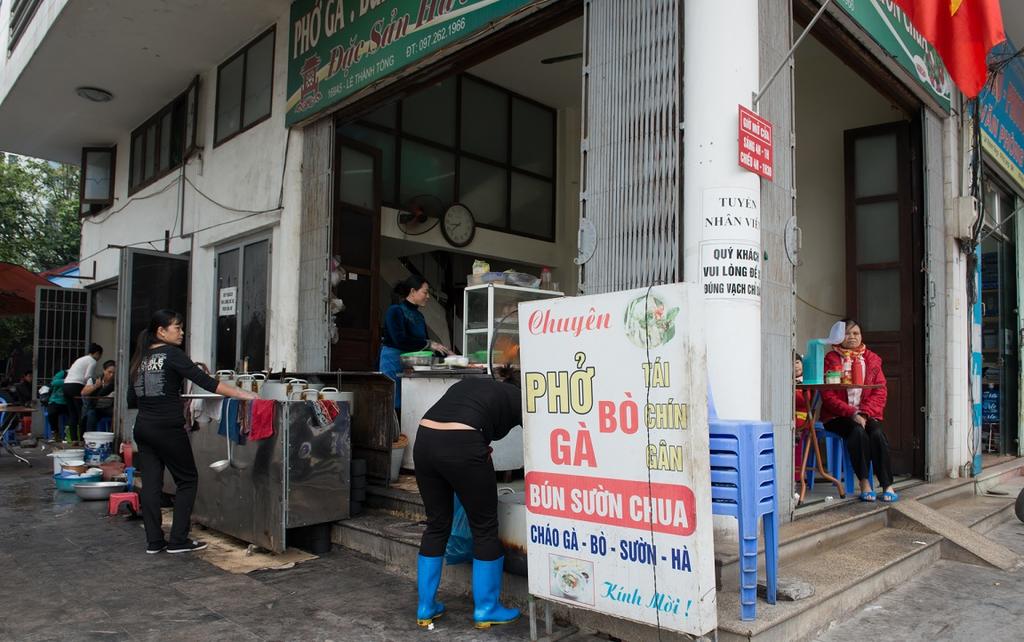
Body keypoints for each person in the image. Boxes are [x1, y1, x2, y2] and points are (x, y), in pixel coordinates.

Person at [128, 309, 257, 554]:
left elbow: (131, 397)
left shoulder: (140, 359)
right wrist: (244, 394)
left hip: (143, 428)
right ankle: (178, 540)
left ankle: (154, 542)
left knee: (151, 485)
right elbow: (206, 381)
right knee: (187, 480)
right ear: (161, 331)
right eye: (177, 327)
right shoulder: (172, 354)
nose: (182, 332)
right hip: (167, 428)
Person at [413, 367, 521, 629]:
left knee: (437, 524)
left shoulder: (473, 385)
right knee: (484, 526)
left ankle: (426, 607)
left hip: (425, 439)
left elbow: (468, 419)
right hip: (463, 442)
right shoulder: (520, 398)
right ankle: (486, 608)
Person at [820, 318, 898, 503]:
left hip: (866, 413)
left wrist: (863, 413)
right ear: (839, 336)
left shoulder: (872, 359)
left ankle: (887, 484)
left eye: (856, 333)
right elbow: (828, 396)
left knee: (877, 434)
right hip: (838, 416)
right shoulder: (831, 359)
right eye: (847, 333)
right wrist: (851, 413)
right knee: (857, 433)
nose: (852, 337)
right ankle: (864, 482)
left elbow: (880, 391)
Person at [379, 275, 451, 410]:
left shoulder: (419, 316)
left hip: (412, 365)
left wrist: (445, 353)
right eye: (425, 292)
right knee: (394, 407)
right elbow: (400, 340)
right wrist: (429, 344)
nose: (428, 296)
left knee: (410, 407)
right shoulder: (395, 311)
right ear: (412, 291)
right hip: (393, 363)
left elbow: (423, 342)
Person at [63, 343, 103, 443]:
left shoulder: (81, 359)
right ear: (97, 353)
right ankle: (82, 438)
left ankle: (74, 440)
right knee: (82, 413)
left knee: (72, 414)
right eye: (100, 355)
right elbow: (87, 376)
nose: (99, 358)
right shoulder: (92, 361)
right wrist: (93, 386)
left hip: (66, 385)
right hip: (76, 386)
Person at [83, 360, 116, 432]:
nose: (112, 375)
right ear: (104, 370)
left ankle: (112, 437)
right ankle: (90, 437)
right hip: (96, 408)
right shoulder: (94, 380)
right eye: (109, 372)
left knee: (116, 413)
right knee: (91, 414)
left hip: (109, 408)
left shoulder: (117, 383)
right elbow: (84, 392)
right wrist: (95, 386)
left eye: (114, 373)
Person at [46, 366, 69, 441]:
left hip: (69, 401)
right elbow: (54, 382)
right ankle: (55, 433)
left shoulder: (81, 375)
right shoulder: (63, 373)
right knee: (52, 413)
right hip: (56, 400)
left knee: (74, 414)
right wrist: (68, 381)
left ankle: (68, 434)